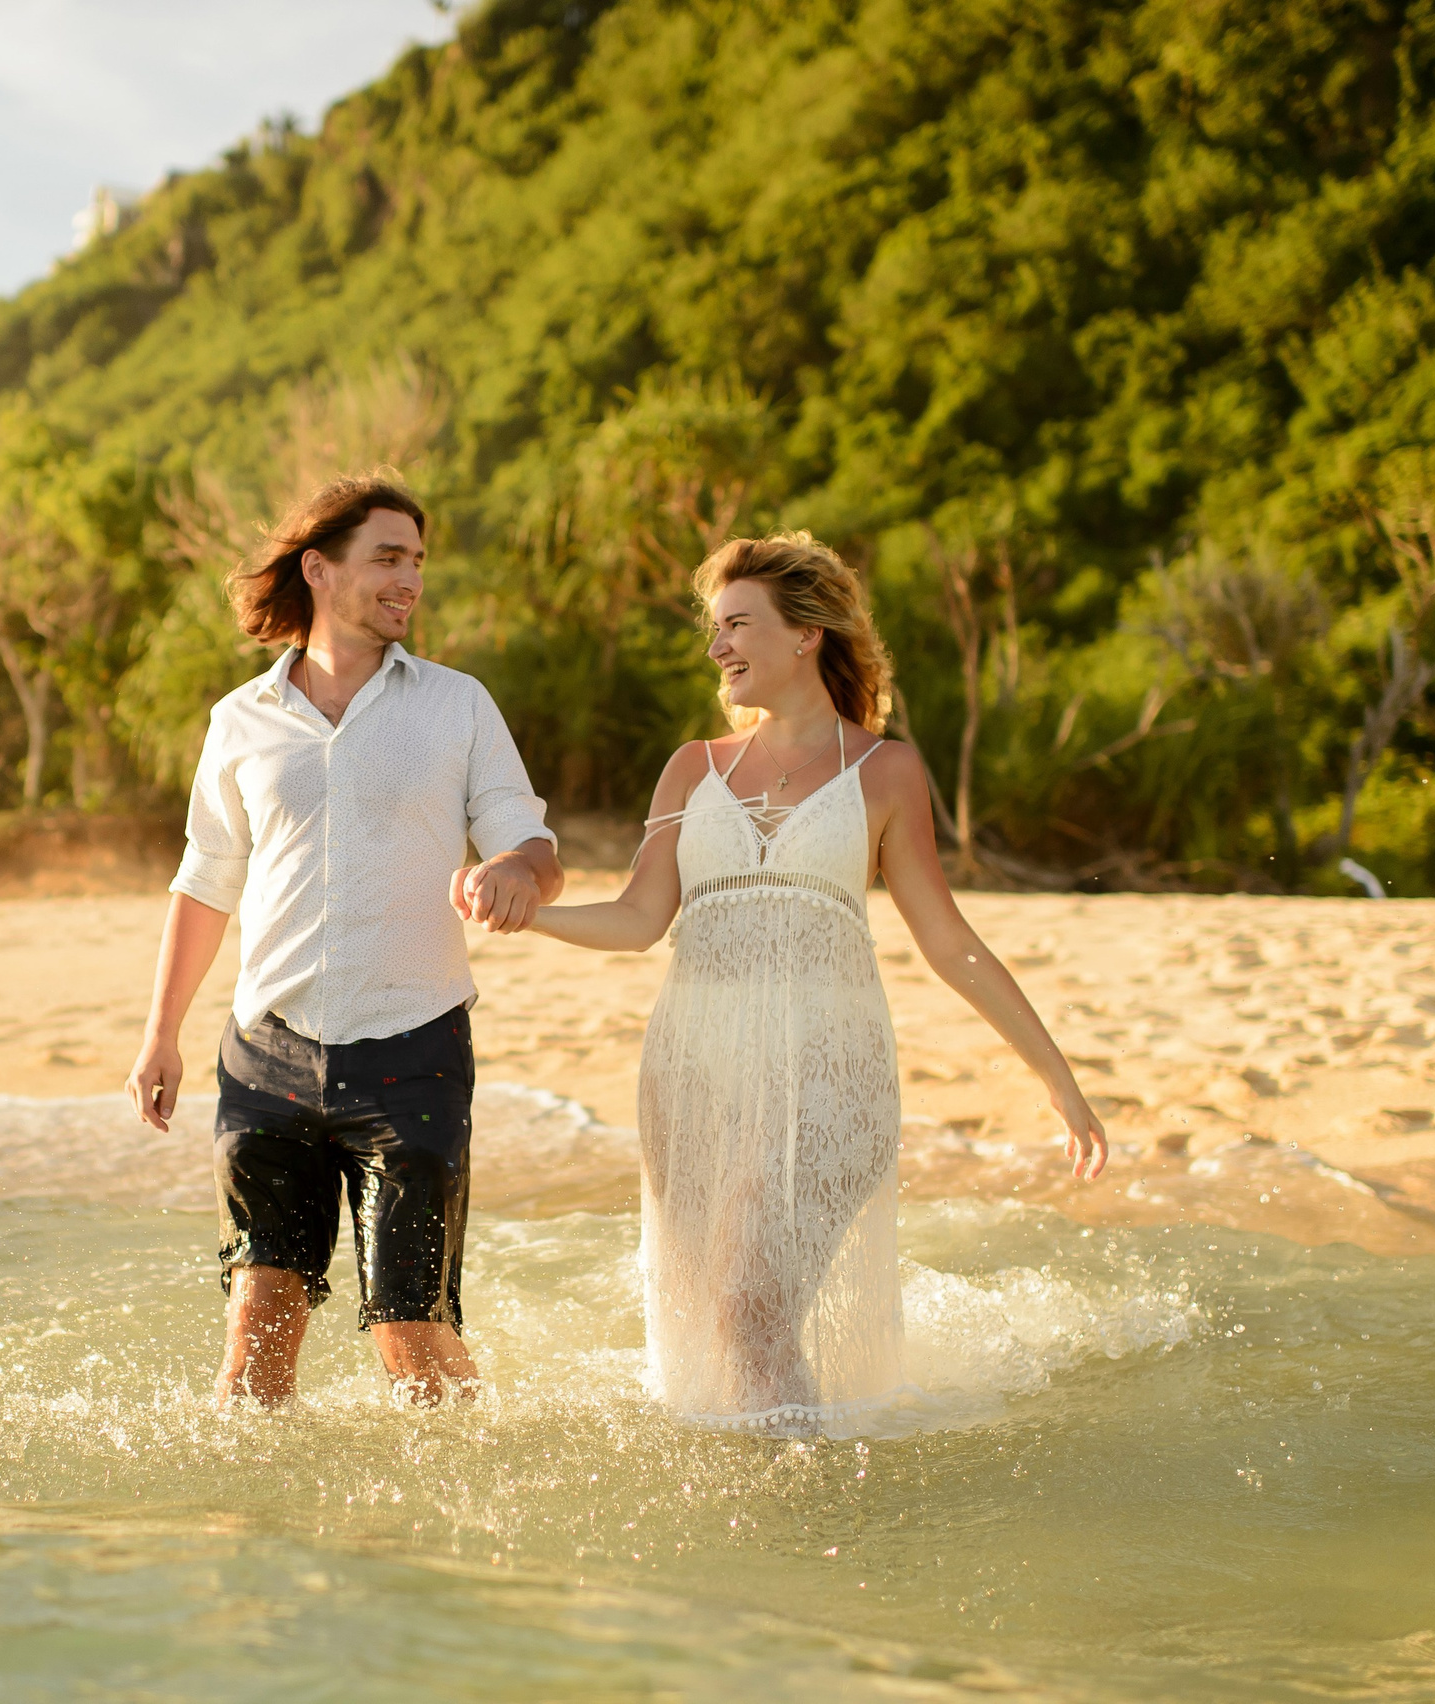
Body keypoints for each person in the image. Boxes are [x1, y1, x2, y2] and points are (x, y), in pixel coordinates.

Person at [525, 532, 1109, 1435]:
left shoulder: (886, 770)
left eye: (738, 625)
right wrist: (527, 911)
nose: (718, 646)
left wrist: (1059, 1082)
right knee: (717, 1325)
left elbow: (949, 940)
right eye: (714, 628)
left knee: (748, 1307)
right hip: (694, 1079)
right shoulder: (693, 766)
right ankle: (771, 1511)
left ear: (806, 636)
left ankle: (803, 1520)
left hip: (827, 1075)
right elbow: (640, 920)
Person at [124, 474, 564, 1411]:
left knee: (413, 1333)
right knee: (254, 1339)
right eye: (388, 559)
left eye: (416, 562)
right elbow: (206, 881)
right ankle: (251, 1547)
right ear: (318, 569)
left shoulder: (458, 705)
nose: (409, 580)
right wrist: (160, 1034)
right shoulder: (239, 720)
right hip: (265, 1057)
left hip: (413, 1052)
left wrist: (521, 874)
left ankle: (450, 1535)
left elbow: (527, 837)